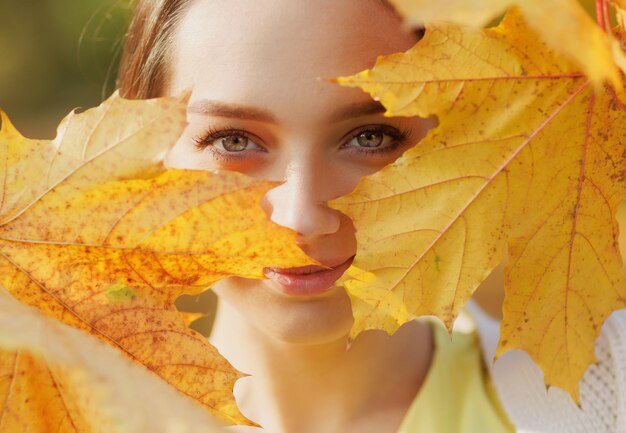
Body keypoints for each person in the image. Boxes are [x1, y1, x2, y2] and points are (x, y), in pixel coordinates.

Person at [116, 1, 626, 432]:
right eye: (233, 141)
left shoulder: (607, 388)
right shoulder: (64, 411)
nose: (302, 217)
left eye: (370, 137)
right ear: (148, 152)